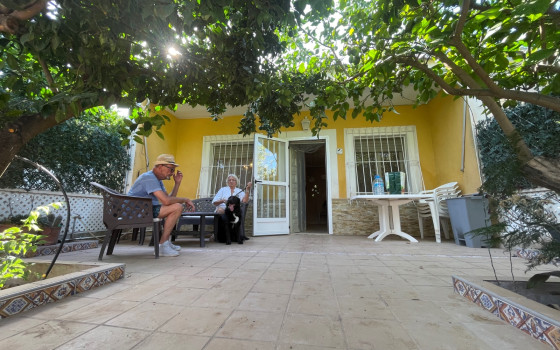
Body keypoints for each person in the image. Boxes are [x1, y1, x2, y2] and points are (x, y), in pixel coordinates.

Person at [128, 154, 195, 257]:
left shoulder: (157, 180)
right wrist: (185, 199)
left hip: (145, 209)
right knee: (177, 207)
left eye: (173, 170)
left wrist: (177, 183)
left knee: (176, 207)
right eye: (171, 169)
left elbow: (169, 199)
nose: (172, 173)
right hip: (136, 211)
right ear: (160, 166)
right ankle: (163, 245)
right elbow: (167, 201)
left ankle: (165, 243)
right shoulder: (149, 178)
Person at [213, 174, 252, 241]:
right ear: (227, 182)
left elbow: (245, 201)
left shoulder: (239, 190)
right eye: (229, 180)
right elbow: (214, 202)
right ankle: (218, 234)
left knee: (237, 213)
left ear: (236, 182)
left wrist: (247, 189)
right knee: (220, 210)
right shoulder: (222, 190)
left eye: (233, 180)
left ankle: (233, 235)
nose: (231, 181)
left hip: (234, 212)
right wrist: (222, 200)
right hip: (224, 210)